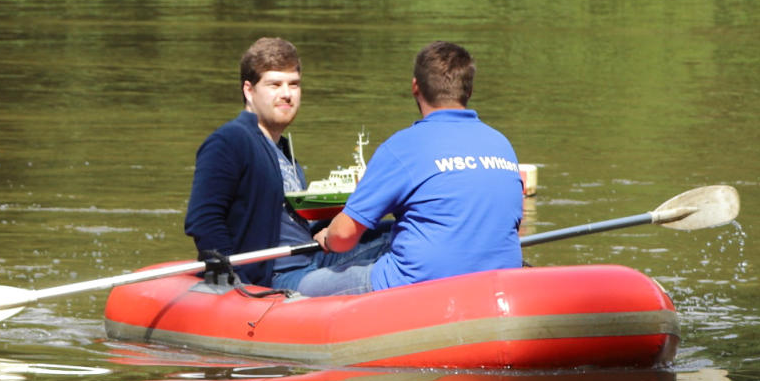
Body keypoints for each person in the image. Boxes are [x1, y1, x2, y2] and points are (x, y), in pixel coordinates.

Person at [301, 41, 523, 297]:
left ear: (415, 87)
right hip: (499, 284)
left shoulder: (402, 147)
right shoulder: (502, 144)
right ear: (469, 90)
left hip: (420, 287)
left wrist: (328, 237)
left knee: (308, 285)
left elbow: (343, 237)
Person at [184, 37, 388, 290]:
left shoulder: (282, 151)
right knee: (377, 277)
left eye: (294, 84)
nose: (287, 94)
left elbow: (292, 225)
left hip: (312, 258)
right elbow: (203, 219)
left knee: (396, 232)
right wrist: (234, 282)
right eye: (274, 84)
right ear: (249, 90)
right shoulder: (230, 140)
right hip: (277, 277)